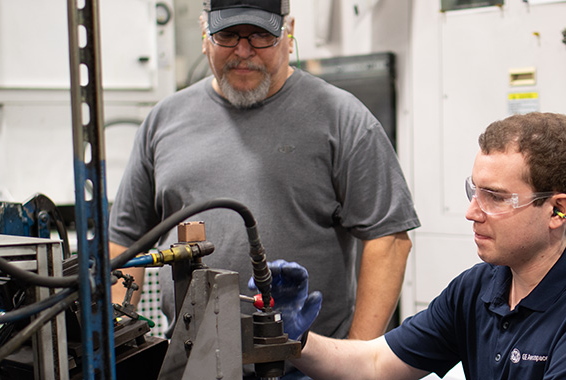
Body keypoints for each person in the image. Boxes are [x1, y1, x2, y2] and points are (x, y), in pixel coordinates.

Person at [106, 0, 420, 346]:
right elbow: (126, 240)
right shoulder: (164, 120)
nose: (243, 50)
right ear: (204, 33)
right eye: (227, 35)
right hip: (188, 357)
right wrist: (116, 338)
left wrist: (357, 359)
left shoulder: (342, 118)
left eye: (260, 35)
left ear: (289, 33)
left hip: (306, 364)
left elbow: (389, 240)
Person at [273, 112, 566, 379]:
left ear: (556, 211)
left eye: (496, 197)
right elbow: (374, 365)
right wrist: (294, 338)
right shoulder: (478, 288)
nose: (472, 212)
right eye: (474, 191)